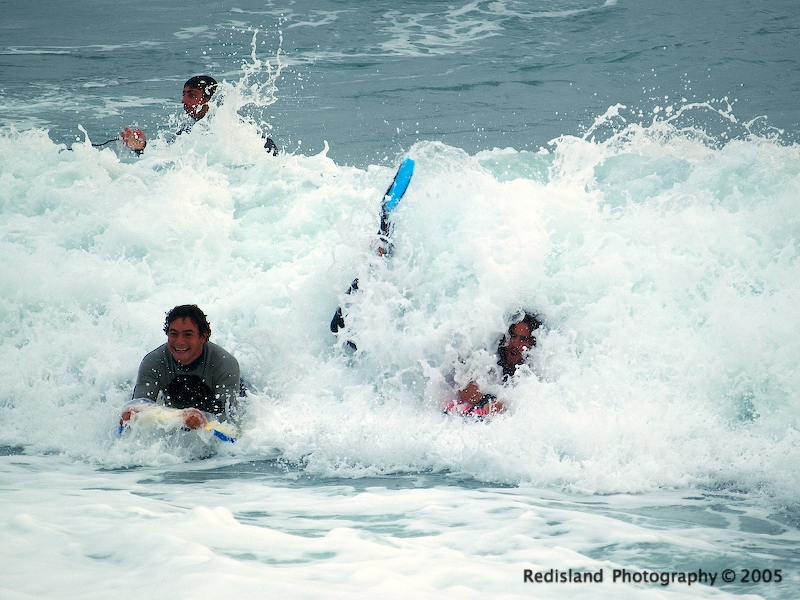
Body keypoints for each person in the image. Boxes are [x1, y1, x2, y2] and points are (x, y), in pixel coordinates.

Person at [121, 304, 241, 430]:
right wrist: (132, 414)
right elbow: (140, 404)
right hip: (182, 412)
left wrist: (204, 419)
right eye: (174, 334)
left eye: (187, 334)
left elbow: (229, 422)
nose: (179, 342)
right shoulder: (153, 362)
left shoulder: (224, 364)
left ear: (203, 337)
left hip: (231, 397)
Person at [120, 75, 278, 155]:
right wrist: (141, 147)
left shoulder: (228, 127)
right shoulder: (189, 130)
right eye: (184, 94)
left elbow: (266, 146)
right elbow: (169, 157)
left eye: (192, 95)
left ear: (210, 99)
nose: (183, 100)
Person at [445, 312, 542, 418]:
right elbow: (465, 388)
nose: (515, 343)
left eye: (523, 340)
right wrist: (487, 401)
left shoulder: (535, 371)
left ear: (532, 344)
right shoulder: (491, 358)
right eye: (513, 336)